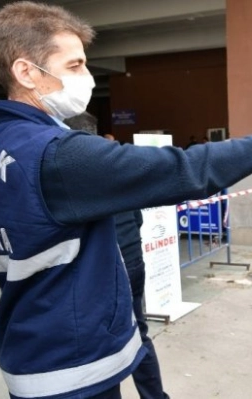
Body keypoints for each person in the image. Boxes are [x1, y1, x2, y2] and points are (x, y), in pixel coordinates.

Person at [0, 2, 252, 399]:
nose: (86, 77)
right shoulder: (55, 154)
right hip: (70, 363)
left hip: (33, 341)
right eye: (74, 66)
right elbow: (186, 169)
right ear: (26, 72)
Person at [65, 112, 167, 399]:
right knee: (140, 333)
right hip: (132, 258)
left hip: (102, 268)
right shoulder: (116, 161)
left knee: (103, 345)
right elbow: (137, 217)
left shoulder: (69, 168)